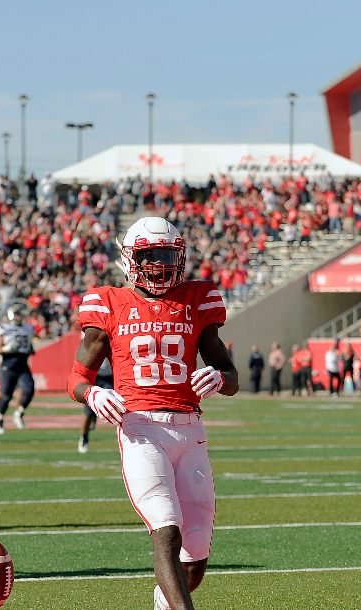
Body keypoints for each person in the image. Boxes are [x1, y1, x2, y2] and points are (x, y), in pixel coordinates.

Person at [68, 216, 238, 610]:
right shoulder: (107, 301)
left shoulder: (198, 298)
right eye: (151, 255)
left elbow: (231, 375)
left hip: (190, 429)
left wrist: (218, 377)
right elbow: (76, 378)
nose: (160, 264)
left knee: (194, 560)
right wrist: (93, 394)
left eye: (167, 254)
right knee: (166, 531)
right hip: (141, 429)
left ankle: (165, 603)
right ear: (130, 259)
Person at [0, 302, 36, 434]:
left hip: (22, 364)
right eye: (17, 314)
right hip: (8, 365)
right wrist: (6, 349)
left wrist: (30, 349)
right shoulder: (4, 328)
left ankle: (19, 412)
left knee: (30, 389)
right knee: (6, 395)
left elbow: (30, 346)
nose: (20, 316)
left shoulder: (28, 328)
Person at [78, 356, 112, 454]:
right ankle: (84, 437)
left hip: (110, 377)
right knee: (88, 411)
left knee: (113, 404)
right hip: (94, 376)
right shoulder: (90, 341)